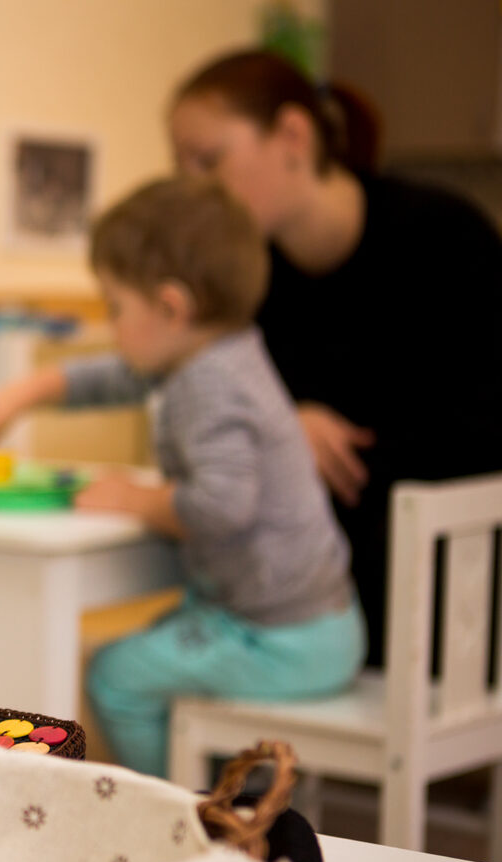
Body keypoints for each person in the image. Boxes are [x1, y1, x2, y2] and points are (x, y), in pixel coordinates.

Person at [0, 177, 365, 777]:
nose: (112, 325)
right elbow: (113, 376)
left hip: (279, 640)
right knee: (145, 650)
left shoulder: (206, 381)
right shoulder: (220, 351)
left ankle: (180, 815)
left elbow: (224, 506)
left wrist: (139, 501)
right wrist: (20, 395)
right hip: (313, 625)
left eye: (116, 307)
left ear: (172, 306)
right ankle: (231, 797)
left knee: (115, 676)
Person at [169, 49, 502, 666]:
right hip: (307, 583)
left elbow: (477, 433)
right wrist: (285, 428)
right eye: (181, 167)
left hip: (443, 583)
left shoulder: (445, 239)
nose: (194, 189)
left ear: (293, 135)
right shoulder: (248, 281)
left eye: (208, 161)